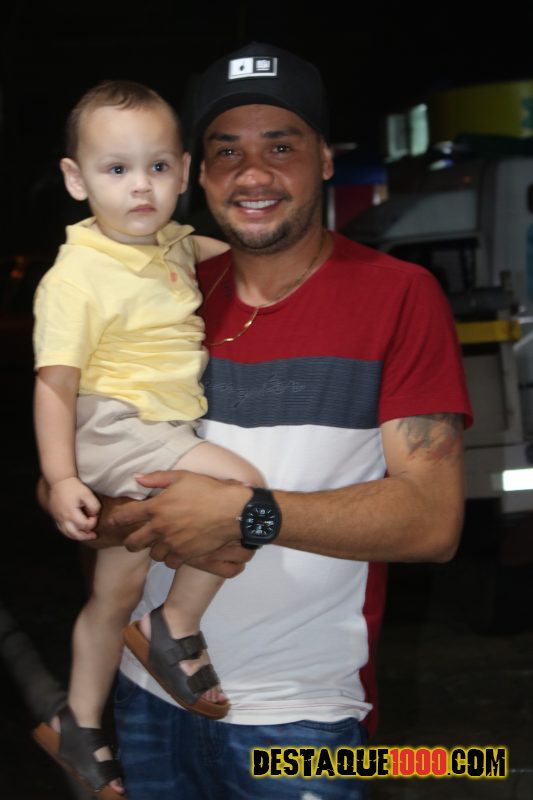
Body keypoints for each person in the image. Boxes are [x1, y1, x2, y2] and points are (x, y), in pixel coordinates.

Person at [39, 43, 472, 800]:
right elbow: (84, 464)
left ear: (324, 159)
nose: (252, 173)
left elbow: (432, 523)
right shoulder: (165, 287)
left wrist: (247, 514)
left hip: (303, 722)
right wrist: (89, 506)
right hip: (146, 702)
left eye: (280, 146)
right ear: (199, 172)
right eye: (227, 151)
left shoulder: (398, 295)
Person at [31, 79, 264, 799]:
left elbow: (234, 253)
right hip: (116, 424)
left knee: (113, 590)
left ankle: (78, 724)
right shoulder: (75, 276)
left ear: (184, 172)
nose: (141, 186)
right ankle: (175, 624)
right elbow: (54, 385)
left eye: (158, 167)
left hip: (153, 428)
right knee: (247, 491)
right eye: (117, 168)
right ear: (76, 179)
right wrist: (61, 477)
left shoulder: (172, 243)